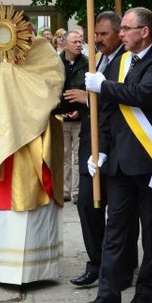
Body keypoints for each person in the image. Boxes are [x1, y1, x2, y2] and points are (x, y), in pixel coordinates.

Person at [83, 7, 152, 303]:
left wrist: (102, 86)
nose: (120, 33)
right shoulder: (122, 61)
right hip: (120, 162)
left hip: (150, 160)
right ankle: (108, 292)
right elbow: (110, 111)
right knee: (115, 230)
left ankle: (147, 290)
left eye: (126, 28)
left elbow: (142, 93)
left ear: (144, 32)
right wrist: (102, 150)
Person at [0, 14, 64, 285]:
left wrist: (14, 82)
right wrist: (3, 74)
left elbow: (50, 86)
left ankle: (34, 269)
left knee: (28, 203)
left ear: (28, 28)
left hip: (30, 141)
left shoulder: (43, 51)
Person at [66, 11, 137, 289]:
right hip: (90, 142)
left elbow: (123, 97)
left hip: (117, 146)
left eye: (103, 34)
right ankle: (96, 262)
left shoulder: (126, 60)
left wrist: (91, 98)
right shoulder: (94, 60)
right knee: (87, 204)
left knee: (120, 211)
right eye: (94, 35)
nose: (97, 40)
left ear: (119, 33)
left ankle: (123, 265)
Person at [54, 30, 86, 203]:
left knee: (78, 155)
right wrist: (60, 109)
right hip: (61, 116)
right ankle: (64, 190)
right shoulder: (55, 63)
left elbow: (89, 91)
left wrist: (79, 111)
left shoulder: (88, 63)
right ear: (65, 44)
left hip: (81, 117)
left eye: (80, 41)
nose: (79, 44)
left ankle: (77, 190)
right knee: (63, 154)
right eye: (75, 41)